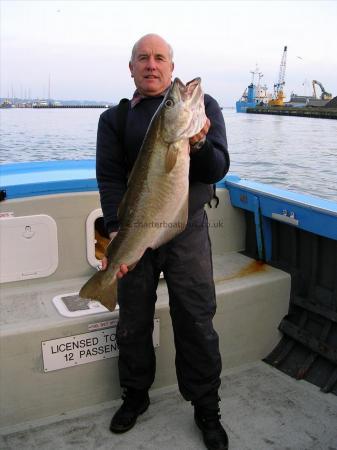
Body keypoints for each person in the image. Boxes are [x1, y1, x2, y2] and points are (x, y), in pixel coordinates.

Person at [96, 34, 230, 450]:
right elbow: (111, 179)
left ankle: (207, 409)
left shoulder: (203, 110)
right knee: (133, 321)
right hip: (137, 229)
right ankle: (135, 397)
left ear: (171, 67)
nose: (152, 65)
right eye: (143, 58)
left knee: (196, 319)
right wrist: (117, 234)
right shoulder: (114, 120)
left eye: (160, 59)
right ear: (131, 68)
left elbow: (218, 168)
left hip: (186, 230)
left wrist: (199, 141)